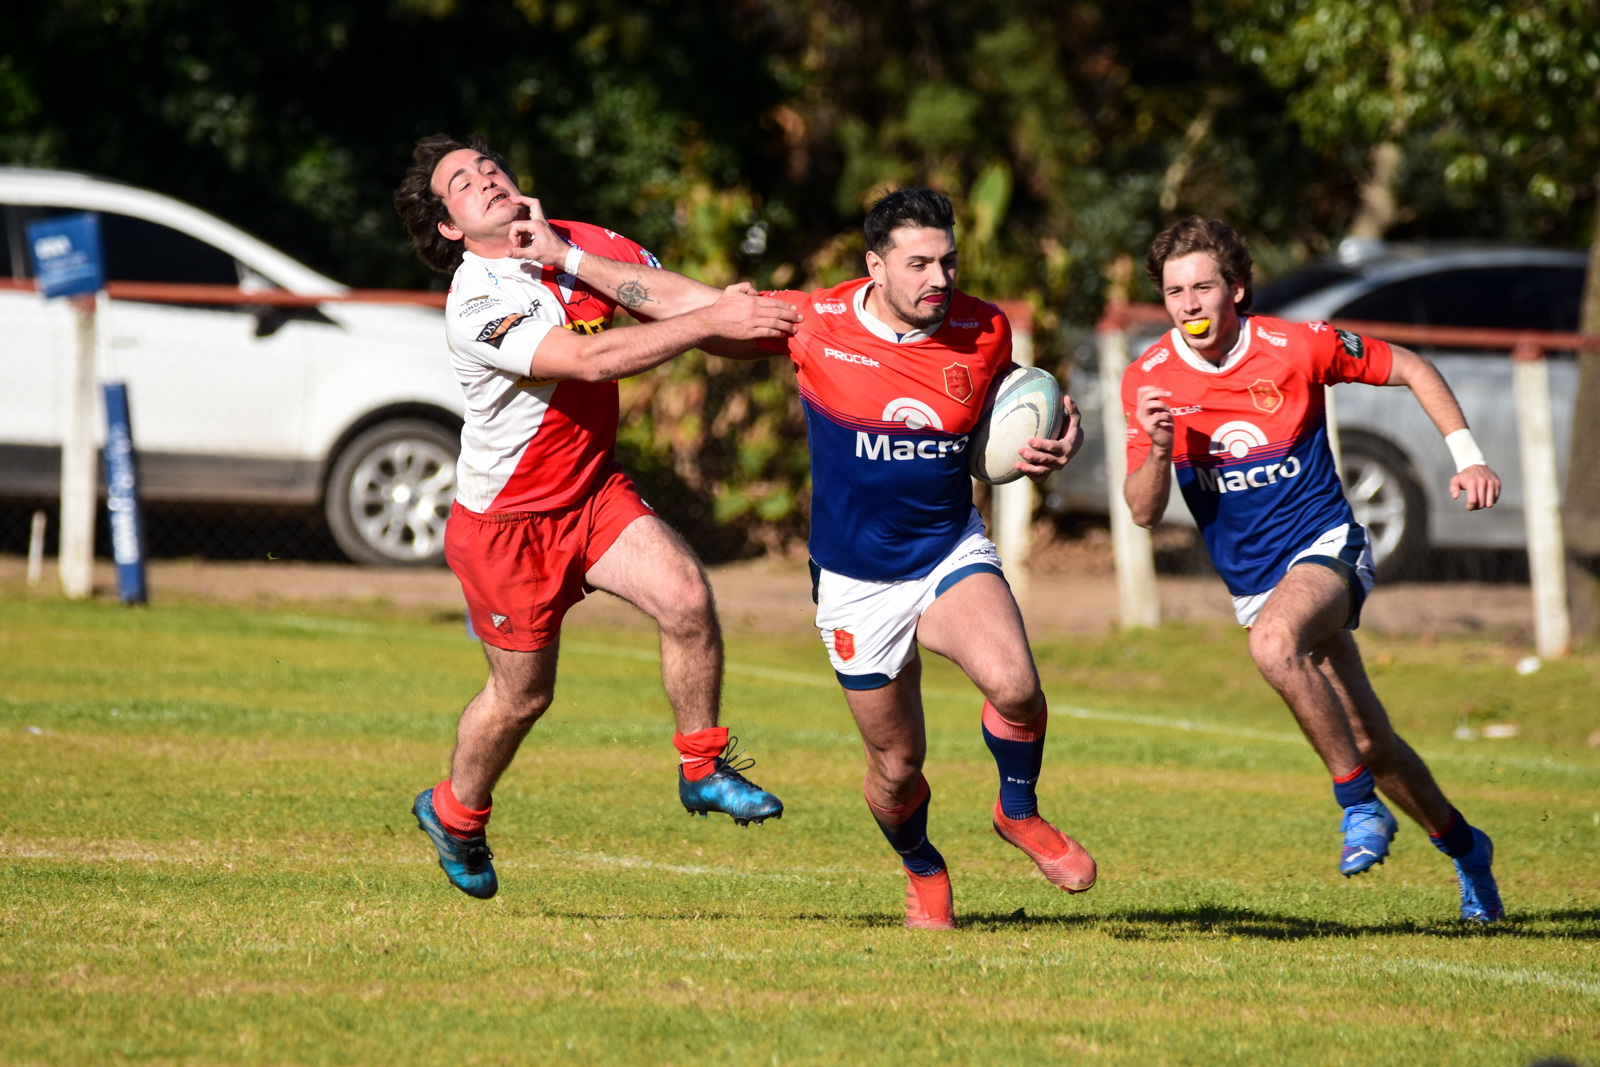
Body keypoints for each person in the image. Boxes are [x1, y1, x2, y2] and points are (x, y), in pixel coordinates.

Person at [391, 133, 802, 900]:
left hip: (589, 490)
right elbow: (590, 361)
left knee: (685, 596)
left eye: (489, 166)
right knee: (523, 696)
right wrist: (715, 319)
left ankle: (702, 765)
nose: (484, 178)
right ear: (448, 227)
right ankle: (455, 811)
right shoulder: (476, 300)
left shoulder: (578, 243)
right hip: (507, 525)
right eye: (461, 184)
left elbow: (675, 298)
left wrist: (765, 324)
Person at [712, 188, 1095, 928]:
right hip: (855, 581)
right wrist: (571, 259)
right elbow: (697, 307)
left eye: (948, 260)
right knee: (896, 769)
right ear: (875, 266)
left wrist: (1059, 436)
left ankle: (1018, 811)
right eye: (919, 262)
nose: (940, 277)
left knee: (1015, 683)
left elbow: (1012, 418)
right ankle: (923, 867)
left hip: (946, 547)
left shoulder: (985, 329)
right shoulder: (816, 321)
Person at [1122, 216, 1504, 922]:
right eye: (1175, 291)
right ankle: (1467, 848)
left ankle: (1357, 805)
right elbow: (1144, 512)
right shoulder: (1149, 378)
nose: (1190, 304)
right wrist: (1154, 448)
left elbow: (1413, 366)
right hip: (1254, 581)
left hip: (1327, 547)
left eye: (1204, 286)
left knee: (1273, 645)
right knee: (1372, 740)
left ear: (1236, 288)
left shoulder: (1298, 345)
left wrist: (1469, 456)